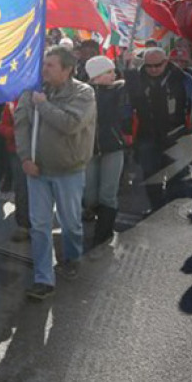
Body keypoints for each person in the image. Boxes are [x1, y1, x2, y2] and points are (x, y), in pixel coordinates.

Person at [13, 46, 96, 301]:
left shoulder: (83, 93)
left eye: (51, 65)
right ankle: (43, 279)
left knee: (70, 222)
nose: (44, 69)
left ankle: (71, 258)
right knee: (39, 225)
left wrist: (44, 105)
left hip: (68, 171)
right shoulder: (33, 90)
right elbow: (21, 124)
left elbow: (71, 124)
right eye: (44, 64)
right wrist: (25, 157)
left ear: (68, 69)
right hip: (37, 171)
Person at [126, 46, 190, 204]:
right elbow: (129, 102)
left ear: (166, 61)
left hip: (175, 134)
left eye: (157, 65)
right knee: (151, 175)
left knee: (178, 175)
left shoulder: (182, 78)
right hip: (147, 136)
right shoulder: (136, 78)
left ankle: (176, 211)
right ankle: (156, 207)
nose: (153, 69)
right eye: (149, 66)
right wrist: (127, 69)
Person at [82, 55, 129, 257]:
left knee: (107, 194)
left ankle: (102, 238)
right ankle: (94, 219)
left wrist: (129, 66)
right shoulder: (82, 92)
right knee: (90, 195)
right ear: (96, 75)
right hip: (88, 150)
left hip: (113, 147)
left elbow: (128, 90)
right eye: (109, 71)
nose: (114, 74)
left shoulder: (119, 89)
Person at [0, 99, 30, 242]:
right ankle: (23, 225)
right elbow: (2, 126)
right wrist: (16, 133)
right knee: (21, 188)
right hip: (17, 151)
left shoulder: (44, 97)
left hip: (40, 152)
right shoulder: (12, 102)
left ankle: (40, 224)